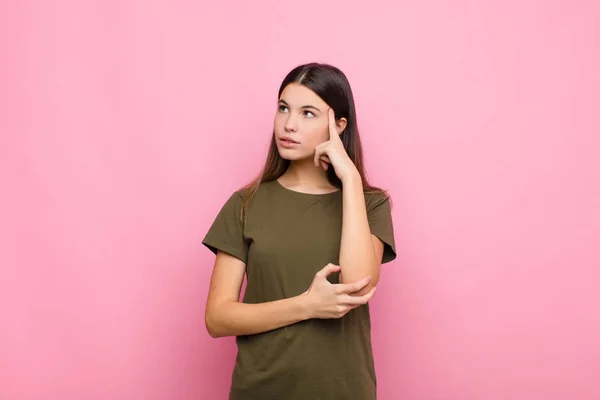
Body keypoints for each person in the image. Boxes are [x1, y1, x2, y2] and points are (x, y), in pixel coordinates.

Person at [202, 62, 396, 400]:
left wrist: (349, 179)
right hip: (261, 390)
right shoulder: (246, 204)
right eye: (283, 109)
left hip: (342, 392)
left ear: (338, 126)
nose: (288, 125)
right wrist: (307, 305)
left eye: (308, 113)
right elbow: (217, 318)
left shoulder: (371, 204)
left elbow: (357, 284)